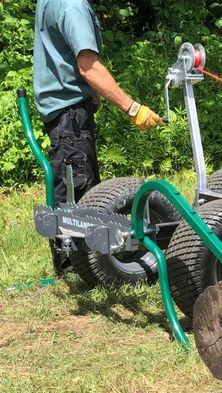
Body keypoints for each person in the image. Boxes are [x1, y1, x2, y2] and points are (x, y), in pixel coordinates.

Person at [33, 0, 164, 273]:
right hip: (68, 112)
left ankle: (73, 264)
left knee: (69, 185)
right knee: (79, 193)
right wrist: (133, 108)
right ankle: (82, 269)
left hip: (63, 109)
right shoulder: (72, 5)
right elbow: (88, 67)